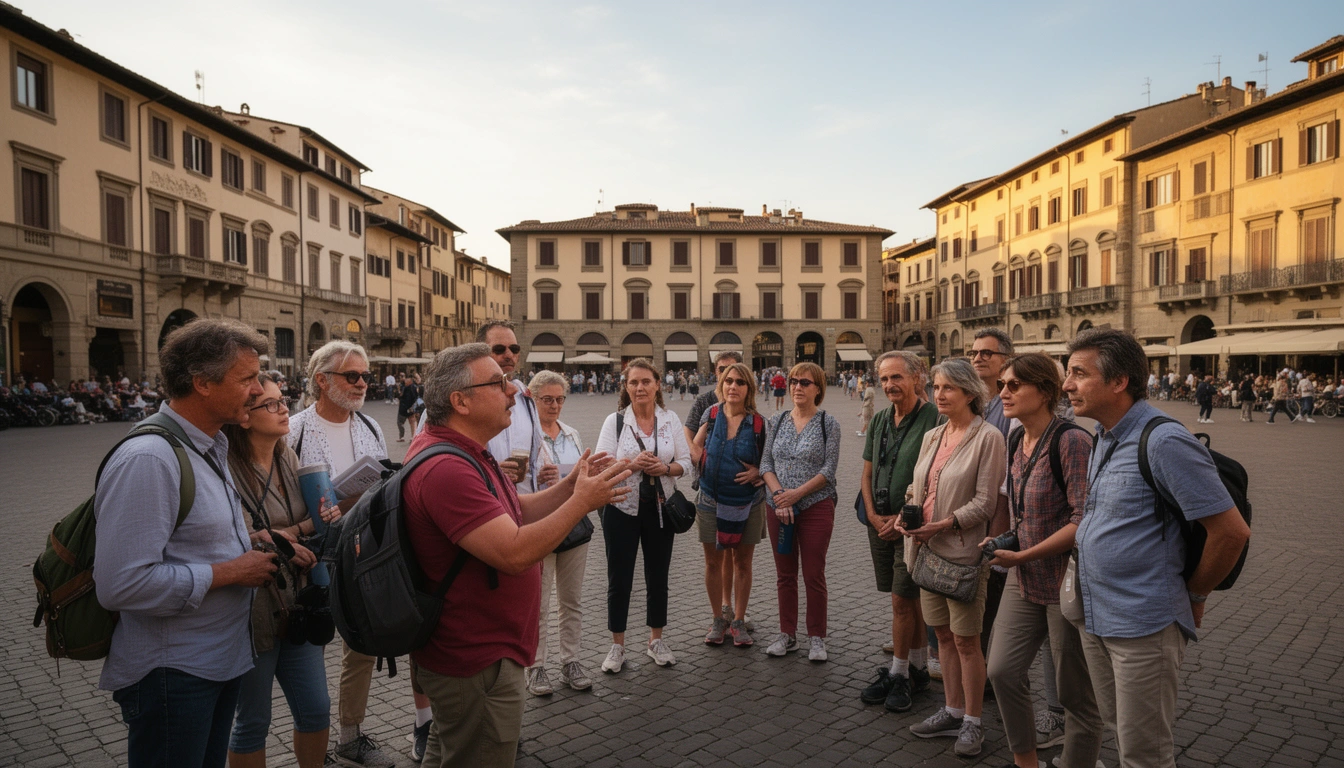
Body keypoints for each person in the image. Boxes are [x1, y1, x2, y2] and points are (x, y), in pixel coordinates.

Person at [404, 343, 631, 768]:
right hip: (477, 660)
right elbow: (512, 552)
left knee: (449, 753)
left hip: (480, 655)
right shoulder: (448, 468)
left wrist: (570, 486)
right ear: (461, 401)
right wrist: (582, 503)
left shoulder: (468, 450)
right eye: (500, 383)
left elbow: (513, 512)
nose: (513, 392)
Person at [1062, 328, 1250, 768]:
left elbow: (1231, 532)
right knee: (1118, 729)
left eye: (1077, 373)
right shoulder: (1104, 435)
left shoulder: (1164, 441)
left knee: (1145, 752)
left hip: (1143, 625)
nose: (1067, 384)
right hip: (1096, 616)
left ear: (1119, 381)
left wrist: (1196, 594)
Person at [94, 319, 276, 768]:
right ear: (202, 383)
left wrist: (250, 541)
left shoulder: (205, 444)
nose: (259, 389)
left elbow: (189, 539)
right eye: (247, 379)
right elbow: (121, 584)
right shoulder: (149, 459)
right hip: (173, 675)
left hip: (215, 662)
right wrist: (233, 571)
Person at [982, 353, 1103, 768]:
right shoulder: (1017, 438)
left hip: (1064, 583)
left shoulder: (1071, 441)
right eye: (1002, 385)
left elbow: (1082, 519)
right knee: (1000, 670)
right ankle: (1026, 760)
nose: (1004, 393)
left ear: (1047, 392)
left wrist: (1023, 553)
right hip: (1025, 575)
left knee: (1074, 694)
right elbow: (1023, 511)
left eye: (1014, 385)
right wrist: (1007, 540)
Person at [287, 341, 396, 768]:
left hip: (361, 548)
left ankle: (350, 735)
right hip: (311, 553)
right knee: (309, 647)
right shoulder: (292, 429)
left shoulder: (369, 427)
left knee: (362, 644)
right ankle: (313, 742)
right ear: (322, 380)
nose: (363, 383)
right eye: (353, 376)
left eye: (366, 375)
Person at [222, 373, 339, 768]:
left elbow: (294, 524)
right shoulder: (225, 466)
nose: (284, 407)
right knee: (253, 719)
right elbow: (237, 535)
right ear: (244, 417)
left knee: (317, 708)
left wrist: (303, 526)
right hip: (251, 608)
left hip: (300, 600)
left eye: (283, 399)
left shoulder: (287, 455)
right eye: (270, 404)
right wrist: (293, 532)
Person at [896, 357, 1006, 759]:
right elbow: (918, 486)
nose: (940, 395)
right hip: (924, 552)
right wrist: (907, 512)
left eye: (949, 389)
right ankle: (952, 710)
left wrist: (941, 524)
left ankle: (974, 723)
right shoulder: (934, 434)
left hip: (961, 554)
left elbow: (985, 503)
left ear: (970, 393)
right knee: (941, 635)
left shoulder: (988, 437)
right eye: (937, 387)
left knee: (966, 641)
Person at [595, 358, 693, 673]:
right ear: (626, 387)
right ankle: (617, 646)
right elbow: (601, 466)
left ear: (657, 385)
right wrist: (633, 464)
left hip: (660, 509)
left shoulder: (670, 420)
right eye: (634, 382)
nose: (640, 387)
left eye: (646, 381)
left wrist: (665, 468)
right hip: (621, 507)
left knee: (657, 576)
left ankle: (655, 640)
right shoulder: (616, 422)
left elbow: (687, 463)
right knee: (619, 579)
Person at [858, 351, 939, 714]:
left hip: (912, 527)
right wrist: (874, 515)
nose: (890, 385)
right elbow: (865, 472)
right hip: (878, 523)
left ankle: (900, 673)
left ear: (917, 377)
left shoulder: (934, 420)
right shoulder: (878, 421)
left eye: (897, 378)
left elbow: (934, 480)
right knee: (907, 601)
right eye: (885, 378)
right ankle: (919, 668)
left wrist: (902, 520)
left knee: (902, 601)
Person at [760, 362, 841, 662]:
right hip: (777, 507)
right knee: (784, 574)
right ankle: (787, 634)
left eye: (805, 382)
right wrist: (780, 496)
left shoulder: (828, 424)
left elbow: (829, 470)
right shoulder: (777, 420)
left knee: (813, 573)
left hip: (815, 505)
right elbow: (765, 464)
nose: (797, 387)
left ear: (818, 388)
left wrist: (796, 495)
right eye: (793, 381)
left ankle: (817, 637)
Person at [526, 371, 596, 696]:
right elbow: (512, 484)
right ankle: (536, 666)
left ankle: (571, 662)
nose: (554, 405)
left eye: (559, 399)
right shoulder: (525, 436)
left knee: (572, 601)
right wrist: (538, 477)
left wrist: (587, 473)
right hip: (539, 524)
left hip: (572, 523)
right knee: (538, 603)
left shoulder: (572, 434)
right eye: (547, 399)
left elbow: (583, 476)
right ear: (534, 399)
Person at [692, 362, 767, 647]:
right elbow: (695, 447)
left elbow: (769, 460)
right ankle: (717, 619)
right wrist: (704, 464)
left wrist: (758, 471)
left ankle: (738, 620)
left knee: (743, 563)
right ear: (721, 385)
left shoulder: (759, 423)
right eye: (728, 381)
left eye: (739, 382)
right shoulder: (711, 414)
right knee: (712, 562)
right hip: (711, 499)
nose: (733, 386)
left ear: (749, 389)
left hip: (749, 502)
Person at [397, 373, 421, 442]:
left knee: (411, 422)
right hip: (405, 407)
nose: (405, 380)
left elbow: (415, 398)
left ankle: (412, 437)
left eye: (406, 379)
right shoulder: (403, 386)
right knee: (401, 422)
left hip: (408, 408)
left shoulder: (411, 387)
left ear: (410, 380)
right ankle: (403, 436)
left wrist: (413, 408)